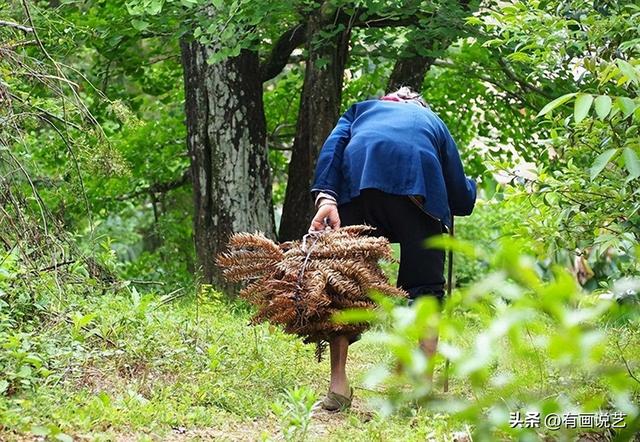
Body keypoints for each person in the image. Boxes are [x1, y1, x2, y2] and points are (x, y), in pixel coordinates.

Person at [308, 87, 477, 412]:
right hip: (417, 194)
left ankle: (338, 387)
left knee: (345, 286)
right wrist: (472, 188)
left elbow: (331, 152)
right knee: (425, 288)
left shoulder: (360, 110)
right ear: (417, 104)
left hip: (357, 187)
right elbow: (459, 196)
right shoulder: (432, 120)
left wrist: (326, 198)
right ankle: (422, 391)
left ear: (390, 100)